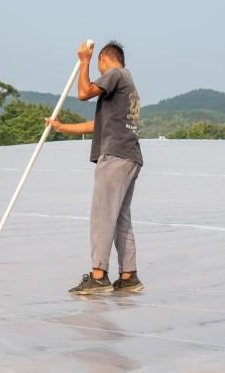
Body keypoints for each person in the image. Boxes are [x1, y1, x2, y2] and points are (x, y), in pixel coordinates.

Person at [46, 40, 144, 295]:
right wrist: (61, 127)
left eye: (97, 63)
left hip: (115, 156)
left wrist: (83, 61)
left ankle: (99, 276)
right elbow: (97, 124)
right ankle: (129, 275)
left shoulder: (115, 74)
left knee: (102, 216)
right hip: (130, 156)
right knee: (120, 217)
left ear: (104, 59)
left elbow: (83, 93)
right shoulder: (127, 84)